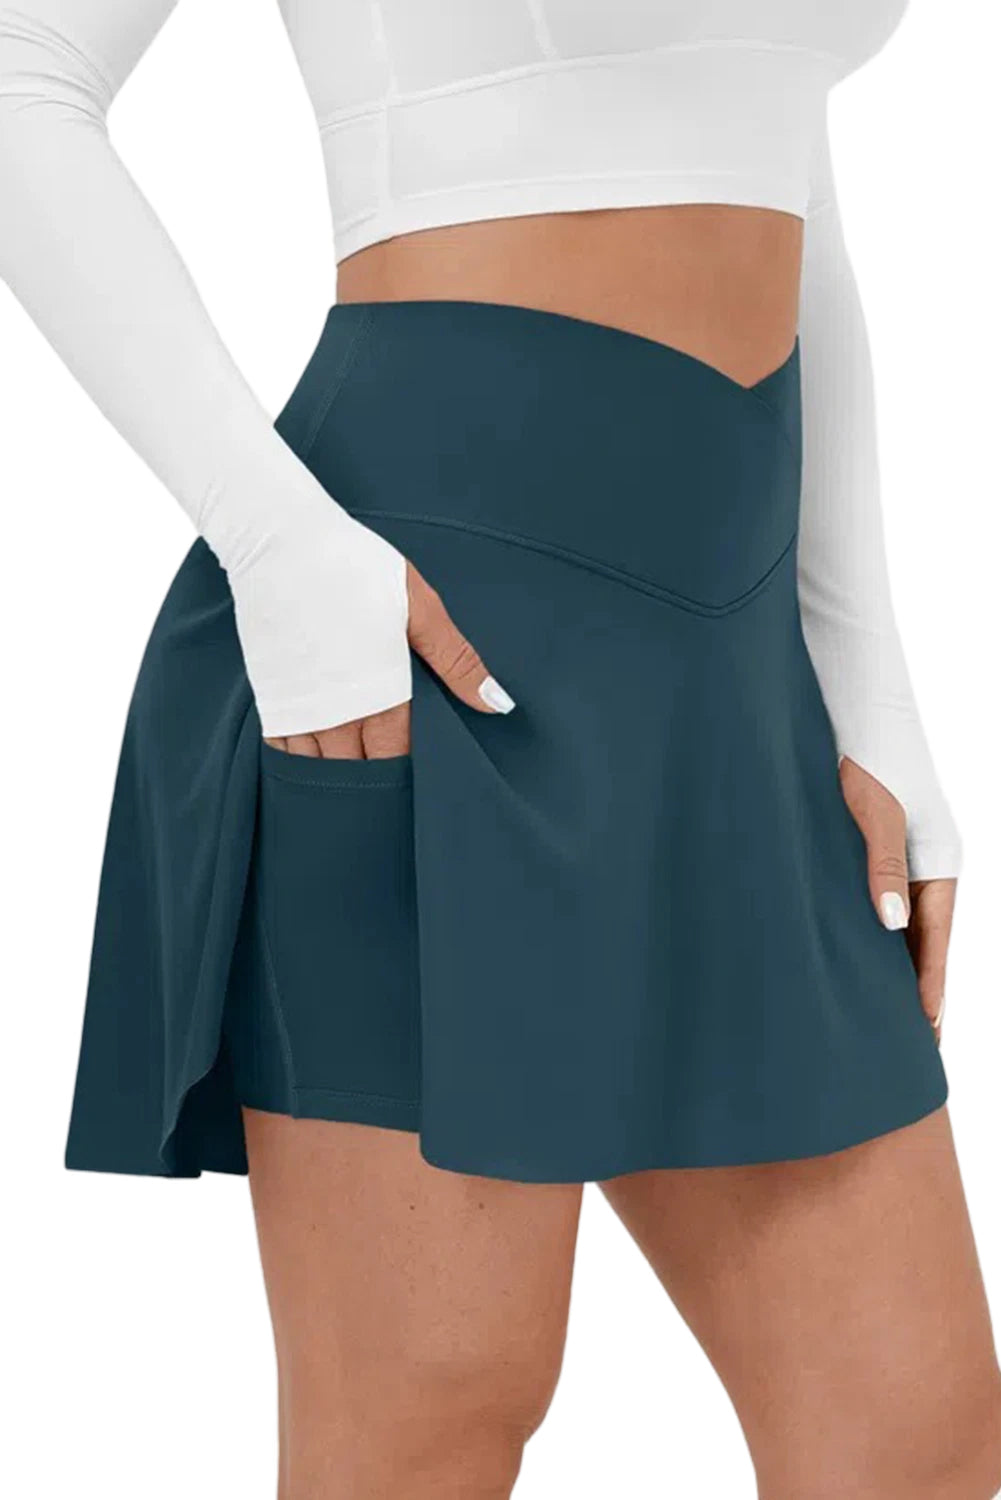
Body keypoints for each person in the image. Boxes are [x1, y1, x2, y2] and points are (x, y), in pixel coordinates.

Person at [2, 2, 999, 1496]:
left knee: (910, 1432)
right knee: (431, 1416)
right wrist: (280, 548)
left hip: (733, 669)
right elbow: (23, 68)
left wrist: (865, 680)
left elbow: (771, 135)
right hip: (424, 629)